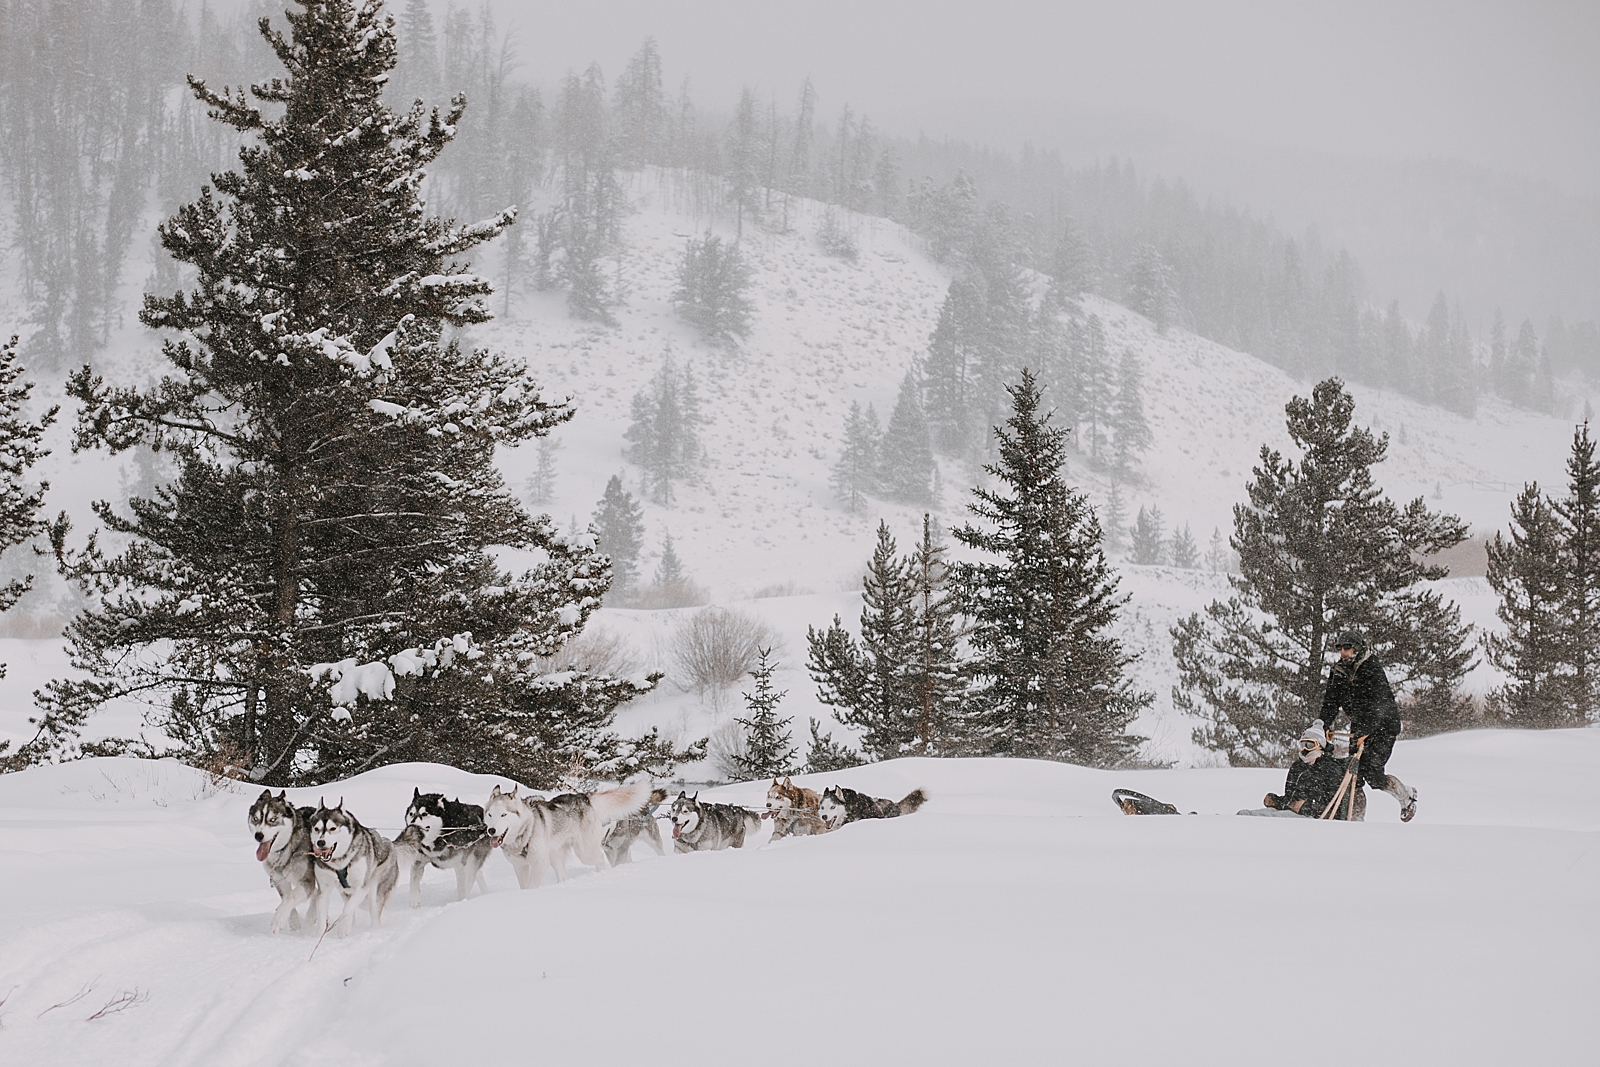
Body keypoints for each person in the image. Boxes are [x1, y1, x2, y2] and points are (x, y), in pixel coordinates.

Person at [1321, 629, 1418, 822]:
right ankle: (1354, 820)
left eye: (1347, 648)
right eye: (1340, 648)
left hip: (1383, 727)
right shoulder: (1338, 672)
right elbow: (1330, 702)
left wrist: (1367, 730)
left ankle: (1405, 796)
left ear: (1357, 648)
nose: (1343, 652)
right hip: (1360, 727)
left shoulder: (1371, 668)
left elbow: (1380, 703)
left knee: (1372, 773)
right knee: (1353, 775)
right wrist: (1322, 725)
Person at [1263, 719, 1358, 818]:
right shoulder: (1297, 767)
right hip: (1290, 813)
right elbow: (1291, 799)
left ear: (1320, 745)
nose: (1305, 749)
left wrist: (1306, 807)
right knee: (1250, 815)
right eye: (1303, 744)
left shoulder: (1331, 769)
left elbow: (1333, 808)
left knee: (1265, 818)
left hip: (1311, 819)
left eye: (1310, 745)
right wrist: (1276, 801)